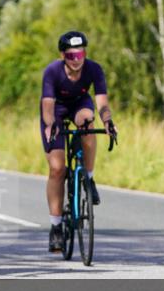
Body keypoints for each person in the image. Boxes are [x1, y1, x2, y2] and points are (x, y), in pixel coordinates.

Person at [40, 31, 118, 252]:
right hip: (55, 109)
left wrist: (109, 121)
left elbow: (102, 102)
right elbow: (47, 105)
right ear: (63, 55)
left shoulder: (94, 69)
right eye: (71, 56)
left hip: (79, 104)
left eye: (81, 54)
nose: (77, 60)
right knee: (57, 168)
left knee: (87, 122)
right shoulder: (52, 71)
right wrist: (50, 125)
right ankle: (56, 228)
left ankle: (89, 177)